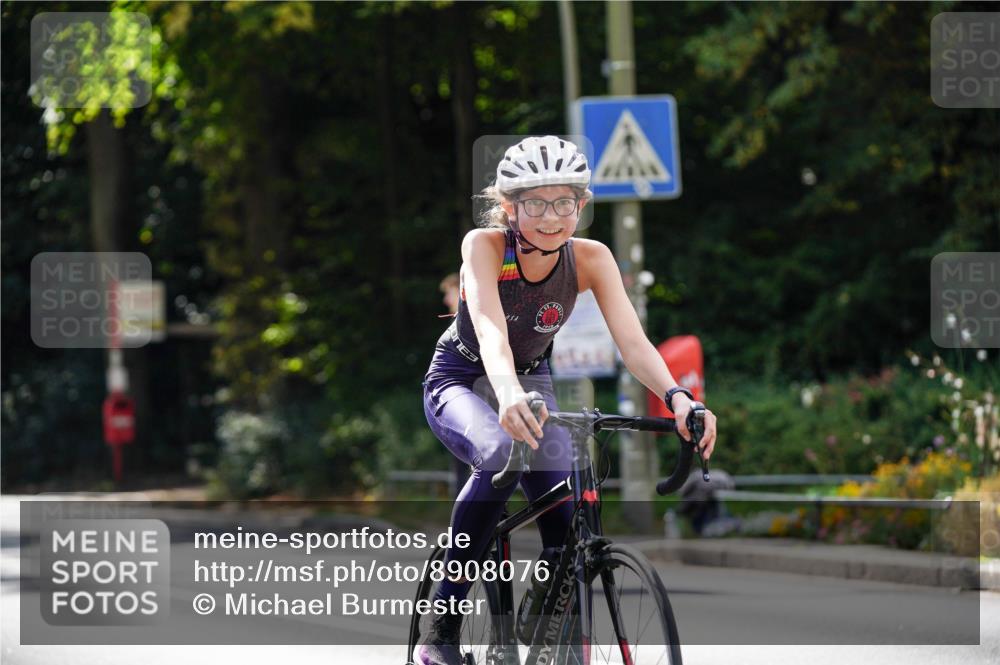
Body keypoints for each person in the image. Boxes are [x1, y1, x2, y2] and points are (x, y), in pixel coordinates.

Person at [417, 136, 718, 665]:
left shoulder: (592, 258)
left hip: (532, 380)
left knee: (567, 503)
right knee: (497, 455)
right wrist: (506, 393)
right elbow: (489, 329)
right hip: (463, 378)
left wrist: (677, 398)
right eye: (535, 203)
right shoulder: (484, 246)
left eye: (565, 202)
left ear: (581, 205)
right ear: (509, 206)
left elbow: (633, 342)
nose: (552, 216)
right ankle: (440, 631)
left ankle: (551, 622)